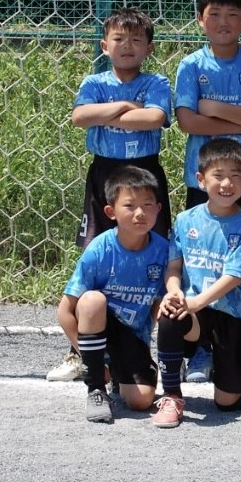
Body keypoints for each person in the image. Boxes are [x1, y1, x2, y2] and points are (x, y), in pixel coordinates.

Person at [47, 8, 173, 384]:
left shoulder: (156, 81)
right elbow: (80, 117)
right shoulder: (94, 80)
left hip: (145, 170)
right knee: (95, 256)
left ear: (149, 47)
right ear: (105, 45)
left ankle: (154, 352)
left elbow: (154, 119)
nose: (127, 46)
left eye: (137, 39)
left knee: (156, 254)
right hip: (104, 172)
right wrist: (124, 107)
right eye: (119, 39)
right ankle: (82, 351)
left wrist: (107, 115)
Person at [174, 0, 241, 383]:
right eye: (214, 13)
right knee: (200, 264)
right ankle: (199, 350)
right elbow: (186, 120)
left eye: (233, 14)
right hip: (204, 183)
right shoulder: (191, 66)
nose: (223, 21)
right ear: (201, 20)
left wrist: (212, 107)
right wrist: (240, 117)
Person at [150, 138, 241, 428]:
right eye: (218, 175)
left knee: (227, 404)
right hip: (195, 310)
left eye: (235, 176)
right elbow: (174, 267)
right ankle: (172, 395)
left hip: (232, 313)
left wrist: (196, 301)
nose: (227, 183)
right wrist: (174, 291)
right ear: (201, 180)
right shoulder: (185, 219)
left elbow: (236, 275)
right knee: (169, 314)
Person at [55, 165, 169, 423]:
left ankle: (121, 374)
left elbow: (160, 302)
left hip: (133, 338)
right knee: (93, 300)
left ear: (158, 209)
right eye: (129, 206)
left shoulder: (163, 251)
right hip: (98, 333)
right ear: (111, 212)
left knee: (141, 401)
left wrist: (145, 336)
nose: (140, 213)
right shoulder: (100, 249)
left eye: (148, 204)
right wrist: (88, 358)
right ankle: (96, 387)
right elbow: (64, 311)